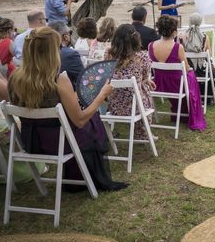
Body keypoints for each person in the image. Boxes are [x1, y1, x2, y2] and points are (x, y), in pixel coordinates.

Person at [7, 27, 126, 191]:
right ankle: (83, 177)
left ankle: (75, 175)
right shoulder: (58, 79)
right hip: (61, 143)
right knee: (93, 119)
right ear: (52, 52)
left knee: (82, 121)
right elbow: (80, 119)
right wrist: (101, 96)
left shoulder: (15, 78)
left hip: (32, 142)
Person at [149, 15, 206, 131]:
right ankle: (190, 112)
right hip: (176, 86)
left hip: (158, 85)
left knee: (188, 76)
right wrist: (190, 69)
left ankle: (179, 111)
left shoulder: (151, 45)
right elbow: (186, 67)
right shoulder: (177, 47)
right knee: (191, 76)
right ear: (174, 32)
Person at [106, 24, 155, 140]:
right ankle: (142, 133)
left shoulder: (109, 55)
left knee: (137, 90)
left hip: (114, 105)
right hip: (137, 106)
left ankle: (141, 133)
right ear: (135, 39)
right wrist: (146, 81)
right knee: (142, 90)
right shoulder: (142, 56)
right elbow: (143, 78)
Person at [181, 13, 215, 104]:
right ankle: (207, 94)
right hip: (202, 71)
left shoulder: (181, 37)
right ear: (200, 23)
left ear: (189, 22)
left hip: (187, 70)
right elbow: (207, 55)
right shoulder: (205, 37)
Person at [48, 21, 84, 88]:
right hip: (66, 94)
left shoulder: (40, 52)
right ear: (65, 36)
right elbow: (83, 79)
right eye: (70, 33)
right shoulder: (70, 54)